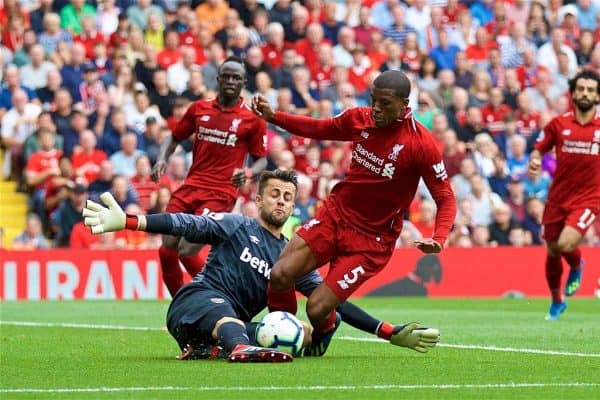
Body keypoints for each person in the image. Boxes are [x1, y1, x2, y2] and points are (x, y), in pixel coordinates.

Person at [82, 170, 440, 362]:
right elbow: (188, 224)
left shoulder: (293, 256)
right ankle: (237, 347)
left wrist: (388, 331)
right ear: (259, 199)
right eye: (274, 194)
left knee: (303, 331)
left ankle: (212, 348)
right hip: (197, 301)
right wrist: (131, 221)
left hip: (222, 327)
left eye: (287, 197)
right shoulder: (238, 224)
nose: (281, 202)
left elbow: (333, 299)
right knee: (229, 319)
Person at [251, 70, 456, 351]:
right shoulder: (359, 119)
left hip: (371, 241)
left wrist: (440, 236)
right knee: (280, 275)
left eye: (384, 103)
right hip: (335, 216)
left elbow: (444, 195)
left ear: (404, 105)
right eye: (373, 100)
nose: (376, 109)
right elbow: (319, 128)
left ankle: (323, 330)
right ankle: (288, 335)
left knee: (317, 308)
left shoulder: (421, 144)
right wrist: (275, 117)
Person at [151, 56, 269, 297]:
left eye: (236, 78)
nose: (231, 81)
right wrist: (162, 158)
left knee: (186, 249)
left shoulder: (252, 119)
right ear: (218, 79)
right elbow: (173, 137)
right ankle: (181, 306)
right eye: (226, 76)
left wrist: (247, 172)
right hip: (190, 186)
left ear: (243, 82)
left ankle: (220, 295)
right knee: (166, 250)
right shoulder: (199, 109)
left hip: (220, 193)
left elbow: (262, 160)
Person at [528, 70, 600, 321]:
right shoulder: (559, 124)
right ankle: (557, 300)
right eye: (581, 89)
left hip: (589, 199)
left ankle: (578, 265)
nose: (585, 93)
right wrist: (535, 160)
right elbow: (539, 149)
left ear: (597, 95)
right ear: (573, 93)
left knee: (566, 244)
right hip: (558, 198)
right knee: (552, 250)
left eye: (591, 90)